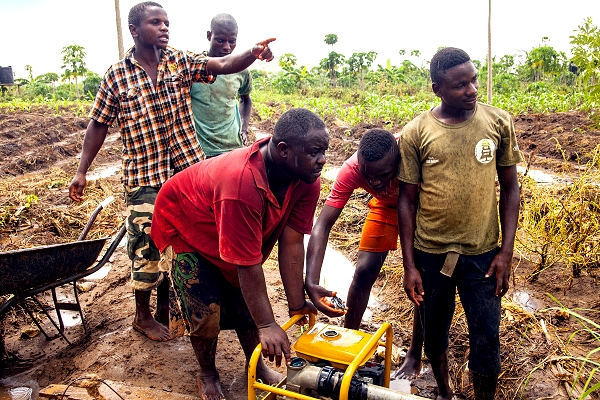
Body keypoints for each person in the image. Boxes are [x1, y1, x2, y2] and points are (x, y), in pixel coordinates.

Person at [68, 1, 275, 342]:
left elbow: (223, 64)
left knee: (188, 243)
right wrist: (81, 171)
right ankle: (142, 315)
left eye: (166, 22)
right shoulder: (116, 76)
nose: (164, 27)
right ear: (135, 30)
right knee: (146, 246)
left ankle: (172, 306)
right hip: (144, 177)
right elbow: (98, 124)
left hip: (187, 174)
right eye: (155, 22)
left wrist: (252, 52)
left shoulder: (179, 61)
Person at [150, 108, 327, 400]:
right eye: (314, 152)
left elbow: (292, 242)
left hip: (221, 222)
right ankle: (207, 373)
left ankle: (254, 364)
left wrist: (296, 303)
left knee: (244, 298)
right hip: (184, 224)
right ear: (283, 150)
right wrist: (268, 324)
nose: (322, 159)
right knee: (204, 307)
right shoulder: (242, 183)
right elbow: (246, 264)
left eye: (324, 151)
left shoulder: (306, 179)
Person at [398, 47, 522, 400]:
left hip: (483, 256)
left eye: (474, 80)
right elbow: (406, 201)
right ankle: (445, 392)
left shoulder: (497, 122)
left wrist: (505, 253)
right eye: (460, 85)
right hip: (431, 254)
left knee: (486, 336)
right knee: (434, 331)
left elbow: (511, 189)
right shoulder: (417, 131)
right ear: (437, 88)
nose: (471, 90)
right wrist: (410, 265)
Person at [305, 128, 424, 377]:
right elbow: (323, 225)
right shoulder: (353, 170)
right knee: (363, 271)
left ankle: (414, 355)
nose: (375, 183)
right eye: (368, 178)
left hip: (423, 208)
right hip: (386, 207)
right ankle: (349, 341)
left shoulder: (412, 152)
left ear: (397, 162)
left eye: (383, 176)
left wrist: (409, 265)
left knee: (422, 281)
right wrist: (312, 281)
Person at [191, 13, 253, 157]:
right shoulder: (195, 67)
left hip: (231, 146)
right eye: (220, 40)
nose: (227, 47)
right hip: (200, 149)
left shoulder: (241, 70)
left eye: (232, 41)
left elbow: (245, 98)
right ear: (209, 36)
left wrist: (244, 128)